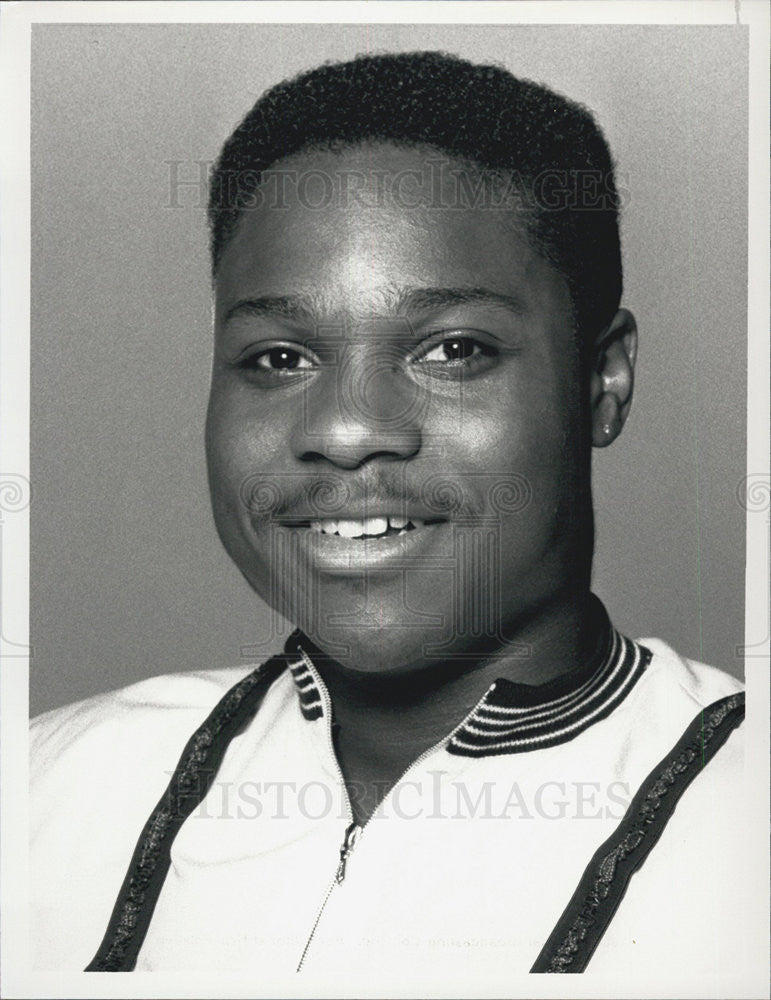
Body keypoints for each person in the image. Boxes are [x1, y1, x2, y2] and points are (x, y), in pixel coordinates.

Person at [30, 51, 746, 985]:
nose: (343, 429)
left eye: (452, 349)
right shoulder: (43, 789)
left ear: (602, 379)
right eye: (279, 357)